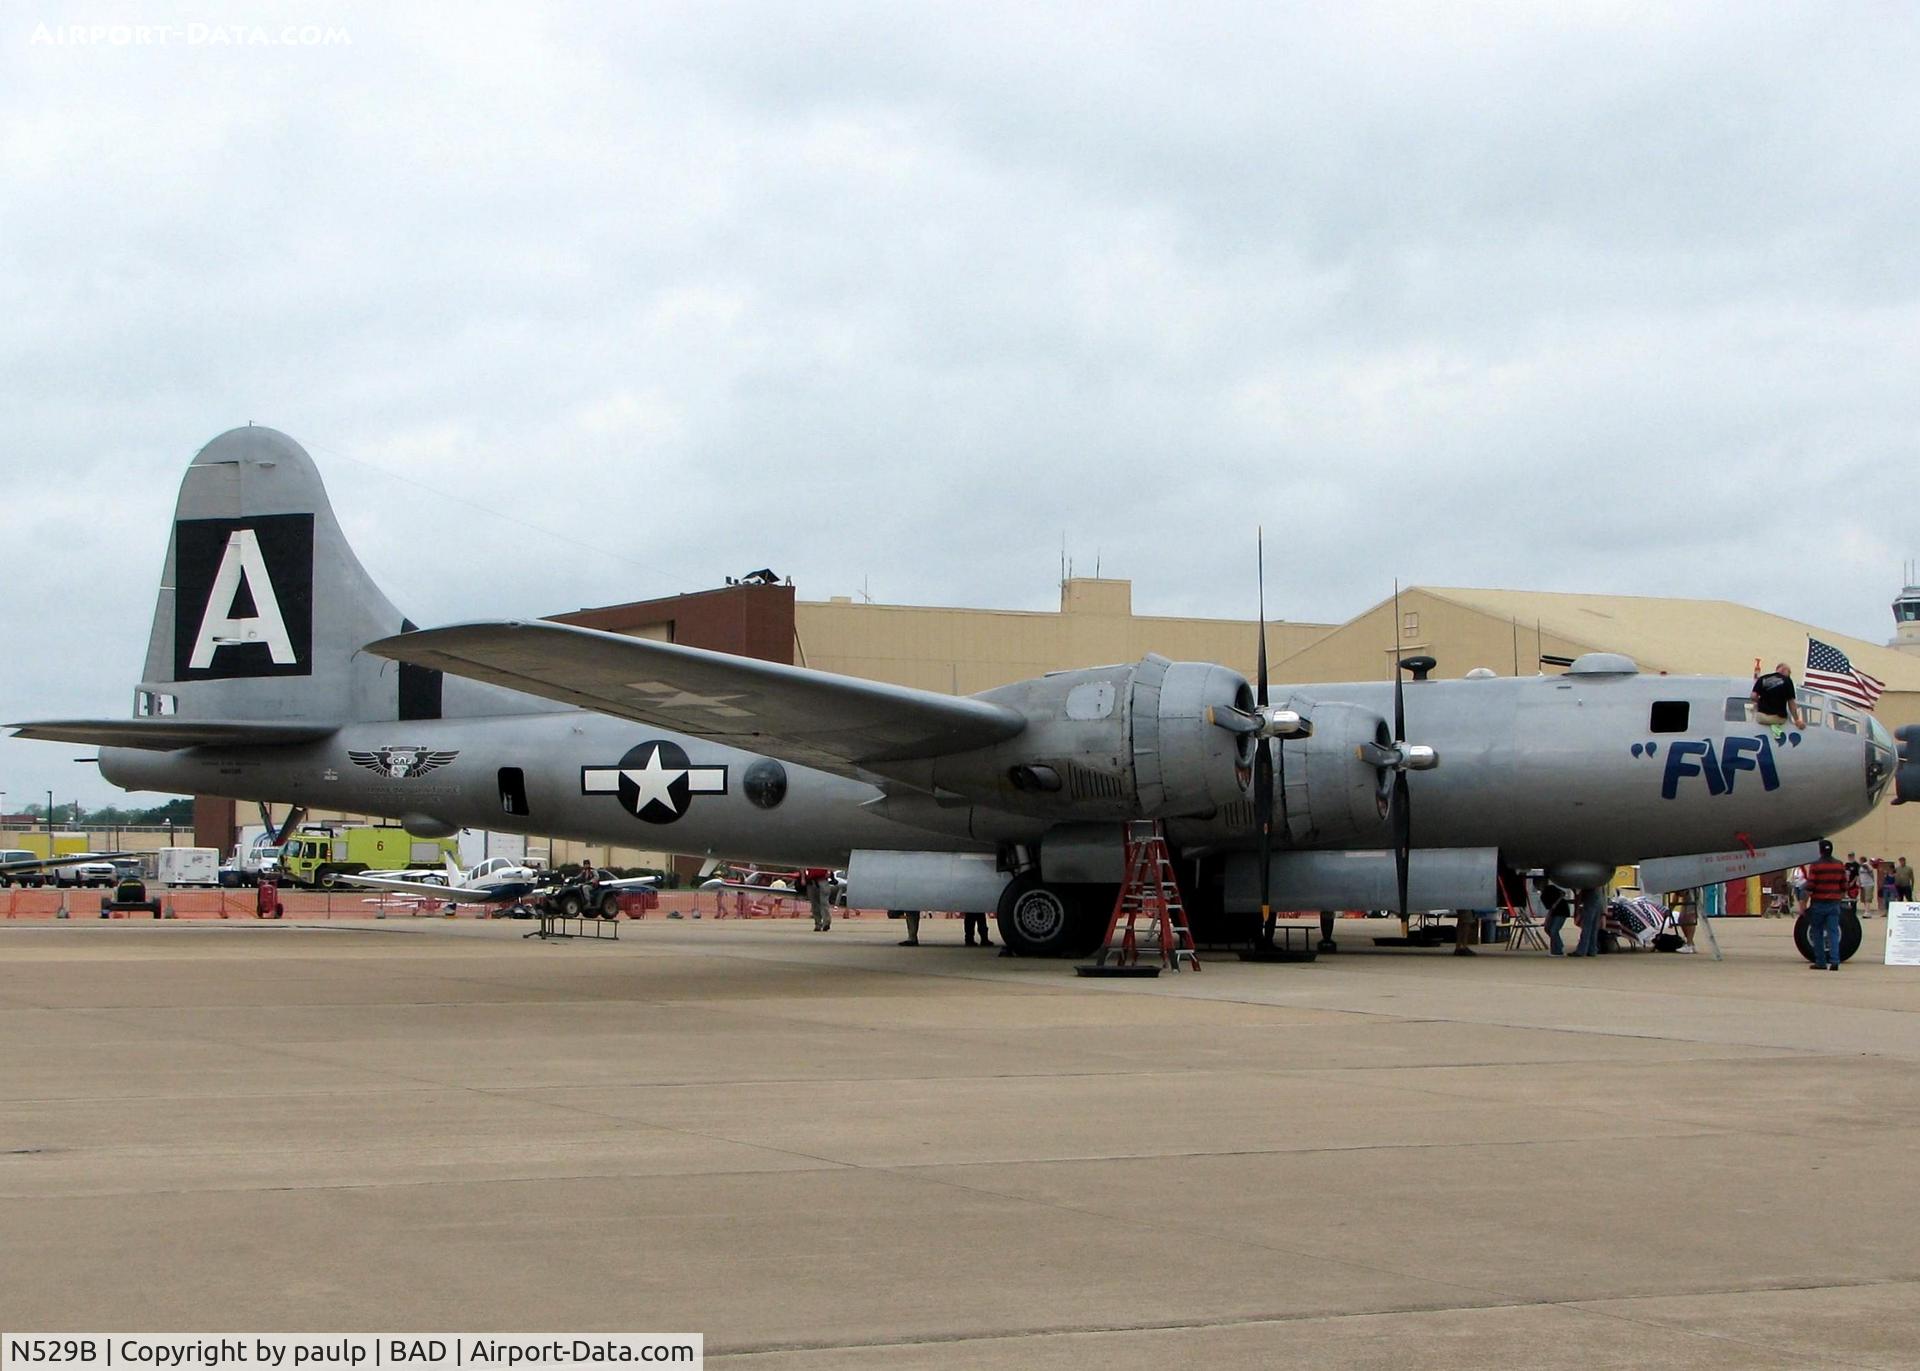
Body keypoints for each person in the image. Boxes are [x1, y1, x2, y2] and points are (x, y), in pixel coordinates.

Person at [1804, 840, 1849, 969]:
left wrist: (1803, 902)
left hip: (1818, 903)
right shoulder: (1839, 865)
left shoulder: (1816, 866)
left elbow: (1810, 885)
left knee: (1817, 932)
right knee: (1833, 933)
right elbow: (1844, 885)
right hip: (1834, 903)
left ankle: (1821, 962)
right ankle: (1835, 961)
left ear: (1820, 851)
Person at [1750, 663, 1806, 742]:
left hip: (1761, 718)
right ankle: (1776, 732)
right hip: (1777, 718)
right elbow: (1791, 703)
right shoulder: (1787, 681)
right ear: (1784, 670)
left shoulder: (1762, 678)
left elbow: (1753, 696)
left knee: (1756, 708)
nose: (1789, 675)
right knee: (1782, 718)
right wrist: (1797, 720)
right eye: (1789, 673)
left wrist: (1760, 703)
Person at [1537, 876, 1572, 956]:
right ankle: (1556, 948)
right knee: (1548, 929)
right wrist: (1546, 921)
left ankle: (1558, 949)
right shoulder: (1543, 897)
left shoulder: (1551, 888)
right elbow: (1551, 909)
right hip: (1555, 912)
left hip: (1562, 911)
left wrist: (1557, 902)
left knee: (1553, 930)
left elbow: (1562, 893)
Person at [1571, 887, 1606, 957]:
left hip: (1590, 904)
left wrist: (1577, 909)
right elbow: (1603, 897)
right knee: (1594, 929)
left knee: (1587, 928)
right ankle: (1592, 950)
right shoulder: (1600, 883)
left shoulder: (1588, 883)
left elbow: (1580, 896)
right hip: (1598, 905)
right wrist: (1603, 912)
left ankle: (1581, 950)